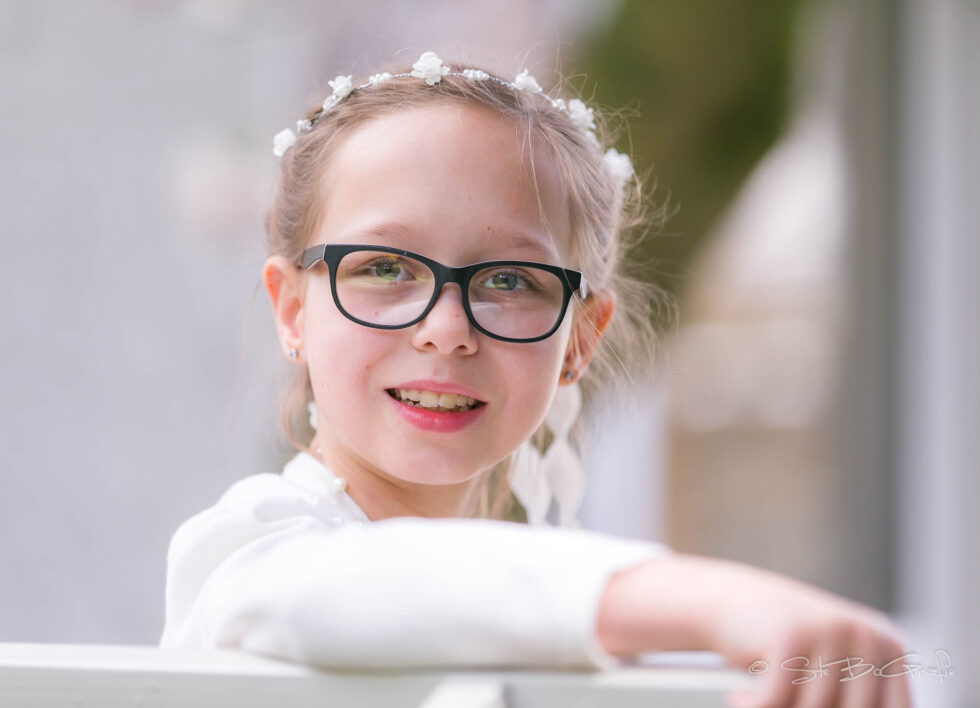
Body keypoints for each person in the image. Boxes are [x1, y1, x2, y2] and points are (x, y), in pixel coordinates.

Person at [161, 52, 912, 708]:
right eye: (383, 268)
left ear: (580, 338)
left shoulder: (541, 613)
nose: (446, 328)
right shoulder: (246, 551)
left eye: (511, 280)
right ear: (292, 309)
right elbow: (363, 586)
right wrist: (718, 601)